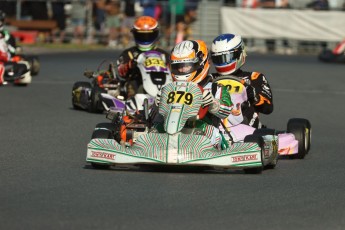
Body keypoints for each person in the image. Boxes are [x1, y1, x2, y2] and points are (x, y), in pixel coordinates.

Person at [159, 39, 233, 149]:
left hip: (202, 130)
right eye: (178, 66)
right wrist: (157, 105)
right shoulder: (169, 88)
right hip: (170, 130)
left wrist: (213, 104)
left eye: (186, 65)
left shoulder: (215, 88)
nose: (182, 69)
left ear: (201, 64)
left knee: (209, 131)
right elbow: (155, 117)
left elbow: (227, 109)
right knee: (155, 128)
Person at [210, 33, 273, 128]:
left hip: (245, 128)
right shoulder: (210, 79)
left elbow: (268, 108)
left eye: (226, 58)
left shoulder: (254, 78)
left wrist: (254, 96)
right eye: (218, 58)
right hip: (213, 127)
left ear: (239, 53)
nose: (222, 62)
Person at [116, 16, 170, 98]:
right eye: (141, 36)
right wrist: (130, 64)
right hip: (137, 82)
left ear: (155, 34)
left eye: (149, 36)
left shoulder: (163, 55)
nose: (145, 38)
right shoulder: (129, 53)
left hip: (162, 83)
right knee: (133, 84)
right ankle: (134, 101)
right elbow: (121, 72)